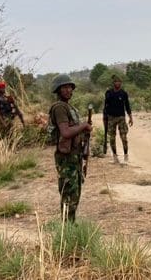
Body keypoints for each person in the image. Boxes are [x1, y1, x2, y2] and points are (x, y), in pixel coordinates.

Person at [49, 74, 92, 222]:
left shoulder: (69, 107)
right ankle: (66, 230)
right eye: (64, 87)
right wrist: (84, 126)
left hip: (74, 156)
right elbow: (66, 132)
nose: (68, 90)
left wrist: (83, 131)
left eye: (70, 87)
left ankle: (70, 227)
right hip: (66, 158)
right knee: (69, 194)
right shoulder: (60, 107)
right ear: (58, 90)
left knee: (74, 193)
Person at [103, 75, 133, 164]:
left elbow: (127, 106)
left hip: (121, 117)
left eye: (119, 82)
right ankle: (115, 157)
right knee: (112, 138)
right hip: (111, 117)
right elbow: (105, 106)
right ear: (113, 83)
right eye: (116, 82)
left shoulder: (124, 93)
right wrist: (104, 117)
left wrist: (130, 117)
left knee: (123, 137)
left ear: (121, 83)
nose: (118, 83)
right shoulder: (108, 93)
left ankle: (126, 155)